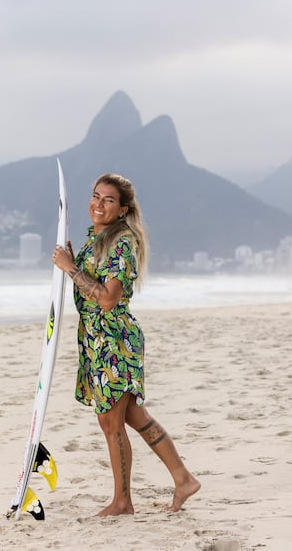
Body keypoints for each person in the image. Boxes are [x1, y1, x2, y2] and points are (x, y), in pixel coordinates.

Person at [52, 173, 200, 517]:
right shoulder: (98, 239)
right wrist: (76, 262)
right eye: (95, 196)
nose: (98, 204)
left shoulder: (123, 242)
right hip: (96, 340)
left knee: (111, 424)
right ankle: (184, 479)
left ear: (123, 210)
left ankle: (122, 502)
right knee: (133, 416)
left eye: (108, 200)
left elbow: (107, 298)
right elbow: (90, 283)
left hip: (113, 341)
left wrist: (71, 268)